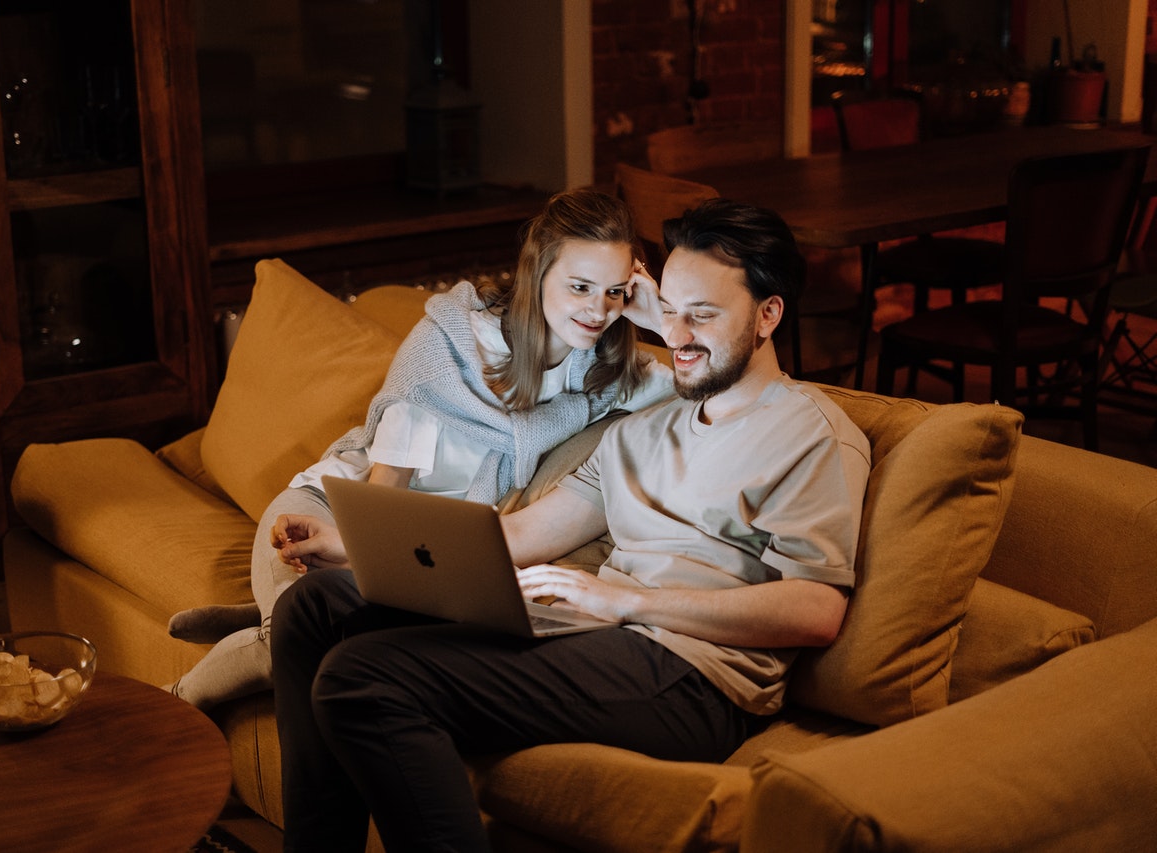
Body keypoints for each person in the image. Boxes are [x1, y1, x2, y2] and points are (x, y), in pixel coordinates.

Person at [268, 198, 873, 852]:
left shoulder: (811, 434)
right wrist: (357, 547)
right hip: (592, 635)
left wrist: (625, 600)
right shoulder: (646, 424)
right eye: (669, 309)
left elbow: (816, 608)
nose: (682, 332)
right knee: (315, 608)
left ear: (768, 315)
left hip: (694, 676)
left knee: (364, 677)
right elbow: (523, 536)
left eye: (704, 314)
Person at [165, 187, 674, 709]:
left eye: (615, 292)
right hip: (336, 515)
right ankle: (173, 702)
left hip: (424, 556)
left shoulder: (605, 374)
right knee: (300, 645)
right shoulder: (448, 343)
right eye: (580, 287)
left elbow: (707, 385)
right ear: (537, 273)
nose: (598, 310)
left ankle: (263, 613)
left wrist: (660, 321)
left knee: (355, 648)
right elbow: (385, 502)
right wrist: (349, 566)